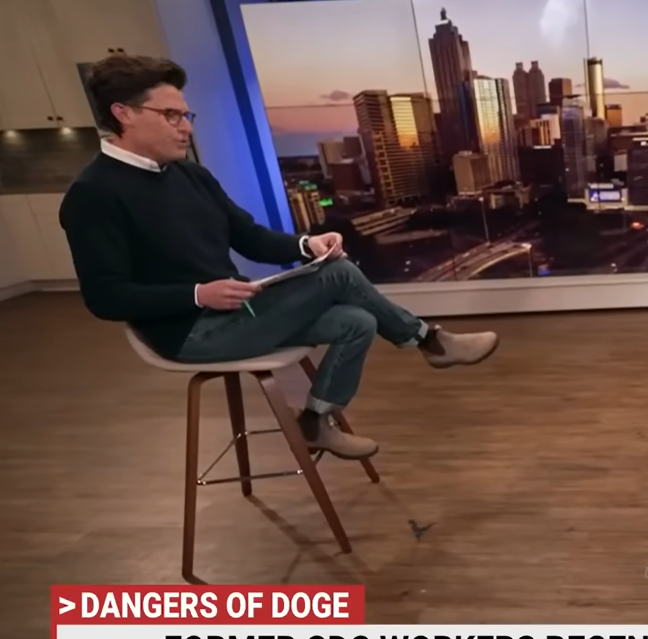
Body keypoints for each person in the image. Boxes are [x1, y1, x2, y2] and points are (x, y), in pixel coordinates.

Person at [60, 55, 499, 461]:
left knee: (357, 322)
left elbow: (249, 238)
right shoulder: (93, 195)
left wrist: (306, 245)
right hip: (187, 333)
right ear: (124, 114)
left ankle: (315, 421)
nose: (186, 127)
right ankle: (430, 341)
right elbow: (105, 297)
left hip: (237, 313)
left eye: (185, 115)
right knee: (339, 274)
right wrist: (197, 295)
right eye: (171, 115)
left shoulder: (190, 176)